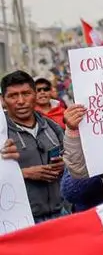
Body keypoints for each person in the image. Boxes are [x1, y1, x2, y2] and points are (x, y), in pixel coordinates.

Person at [3, 71, 66, 223]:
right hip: (21, 221)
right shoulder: (1, 133)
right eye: (13, 96)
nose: (21, 101)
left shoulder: (51, 126)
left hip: (61, 214)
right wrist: (23, 174)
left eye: (26, 93)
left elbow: (72, 160)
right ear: (3, 100)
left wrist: (64, 164)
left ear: (35, 95)